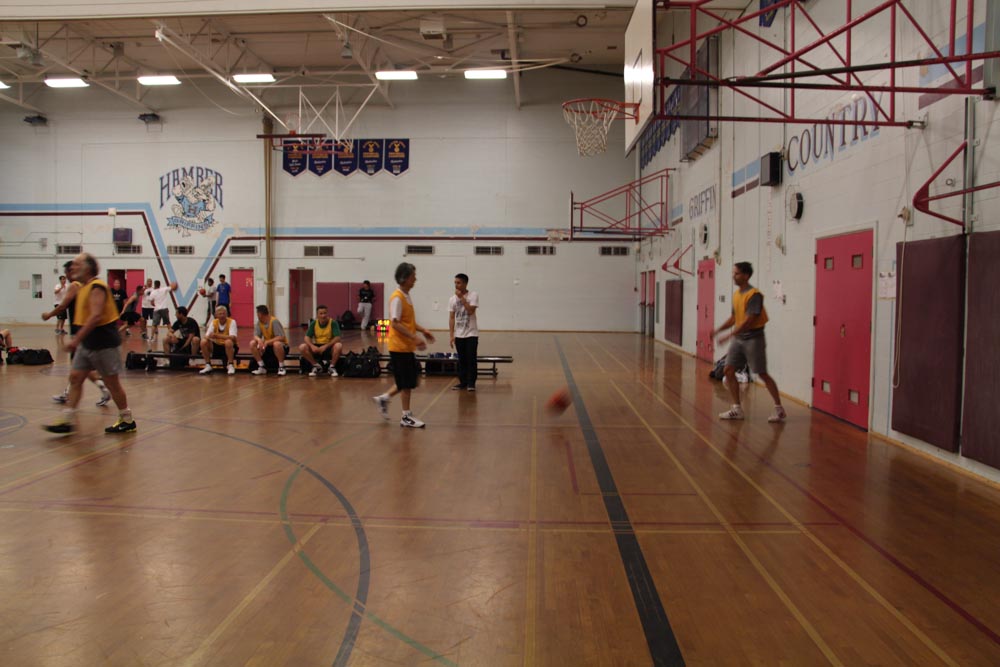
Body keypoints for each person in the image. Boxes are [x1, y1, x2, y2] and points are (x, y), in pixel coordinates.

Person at [43, 253, 136, 435]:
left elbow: (96, 316)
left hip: (104, 342)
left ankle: (127, 420)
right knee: (75, 377)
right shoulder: (82, 287)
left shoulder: (97, 286)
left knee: (112, 384)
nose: (73, 268)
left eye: (77, 265)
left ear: (87, 268)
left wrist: (76, 340)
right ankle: (67, 419)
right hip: (87, 342)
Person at [712, 261, 786, 422]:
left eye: (737, 273)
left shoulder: (754, 295)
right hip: (739, 339)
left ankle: (779, 409)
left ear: (746, 276)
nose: (733, 276)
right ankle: (737, 409)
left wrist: (728, 336)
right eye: (733, 273)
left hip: (754, 339)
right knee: (728, 370)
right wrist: (718, 330)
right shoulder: (736, 295)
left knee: (762, 373)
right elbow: (734, 318)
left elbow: (748, 321)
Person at [372, 263, 436, 428]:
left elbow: (408, 322)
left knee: (407, 380)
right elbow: (395, 323)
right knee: (407, 383)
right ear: (406, 278)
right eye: (413, 276)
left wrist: (423, 330)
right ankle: (406, 416)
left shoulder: (406, 296)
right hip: (399, 347)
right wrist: (415, 338)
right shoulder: (397, 298)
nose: (415, 279)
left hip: (405, 346)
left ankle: (384, 399)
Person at [42, 261, 112, 407]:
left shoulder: (75, 285)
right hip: (85, 330)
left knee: (79, 366)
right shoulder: (86, 286)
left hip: (80, 331)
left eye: (68, 272)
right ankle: (100, 389)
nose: (67, 276)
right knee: (81, 367)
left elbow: (63, 305)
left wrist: (49, 315)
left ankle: (101, 390)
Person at [448, 272, 480, 392]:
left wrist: (462, 298)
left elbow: (471, 311)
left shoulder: (473, 295)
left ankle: (471, 383)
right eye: (455, 283)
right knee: (461, 360)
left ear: (465, 283)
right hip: (459, 334)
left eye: (459, 283)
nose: (456, 285)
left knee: (471, 359)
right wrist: (452, 335)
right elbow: (452, 317)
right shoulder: (452, 299)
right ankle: (463, 382)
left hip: (471, 334)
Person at [298, 305, 342, 377]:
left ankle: (332, 367)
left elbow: (337, 338)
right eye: (321, 314)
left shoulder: (333, 323)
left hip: (329, 346)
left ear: (327, 313)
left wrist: (325, 346)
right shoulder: (314, 323)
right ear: (317, 315)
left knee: (338, 345)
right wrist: (312, 346)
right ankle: (316, 365)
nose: (323, 316)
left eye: (325, 313)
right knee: (302, 347)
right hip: (317, 346)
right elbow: (306, 337)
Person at [250, 305, 288, 376]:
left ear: (260, 314)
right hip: (267, 346)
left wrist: (268, 342)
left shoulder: (274, 321)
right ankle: (261, 366)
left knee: (276, 344)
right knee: (252, 343)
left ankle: (281, 367)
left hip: (281, 347)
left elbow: (281, 337)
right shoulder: (259, 322)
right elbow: (255, 335)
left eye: (257, 313)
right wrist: (259, 340)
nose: (257, 315)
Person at [200, 305, 238, 375]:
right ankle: (208, 365)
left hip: (230, 347)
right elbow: (207, 335)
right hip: (217, 345)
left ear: (226, 314)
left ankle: (230, 364)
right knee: (203, 342)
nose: (222, 316)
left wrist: (217, 336)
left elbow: (232, 337)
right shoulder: (214, 322)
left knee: (228, 341)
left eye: (223, 313)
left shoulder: (232, 322)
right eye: (220, 314)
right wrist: (209, 337)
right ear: (216, 315)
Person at [147, 279, 178, 345]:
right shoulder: (164, 289)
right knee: (168, 323)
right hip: (164, 309)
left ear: (154, 285)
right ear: (159, 284)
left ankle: (151, 337)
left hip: (157, 309)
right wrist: (174, 284)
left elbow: (151, 301)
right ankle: (172, 336)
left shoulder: (153, 292)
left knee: (154, 324)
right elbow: (173, 287)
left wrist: (155, 304)